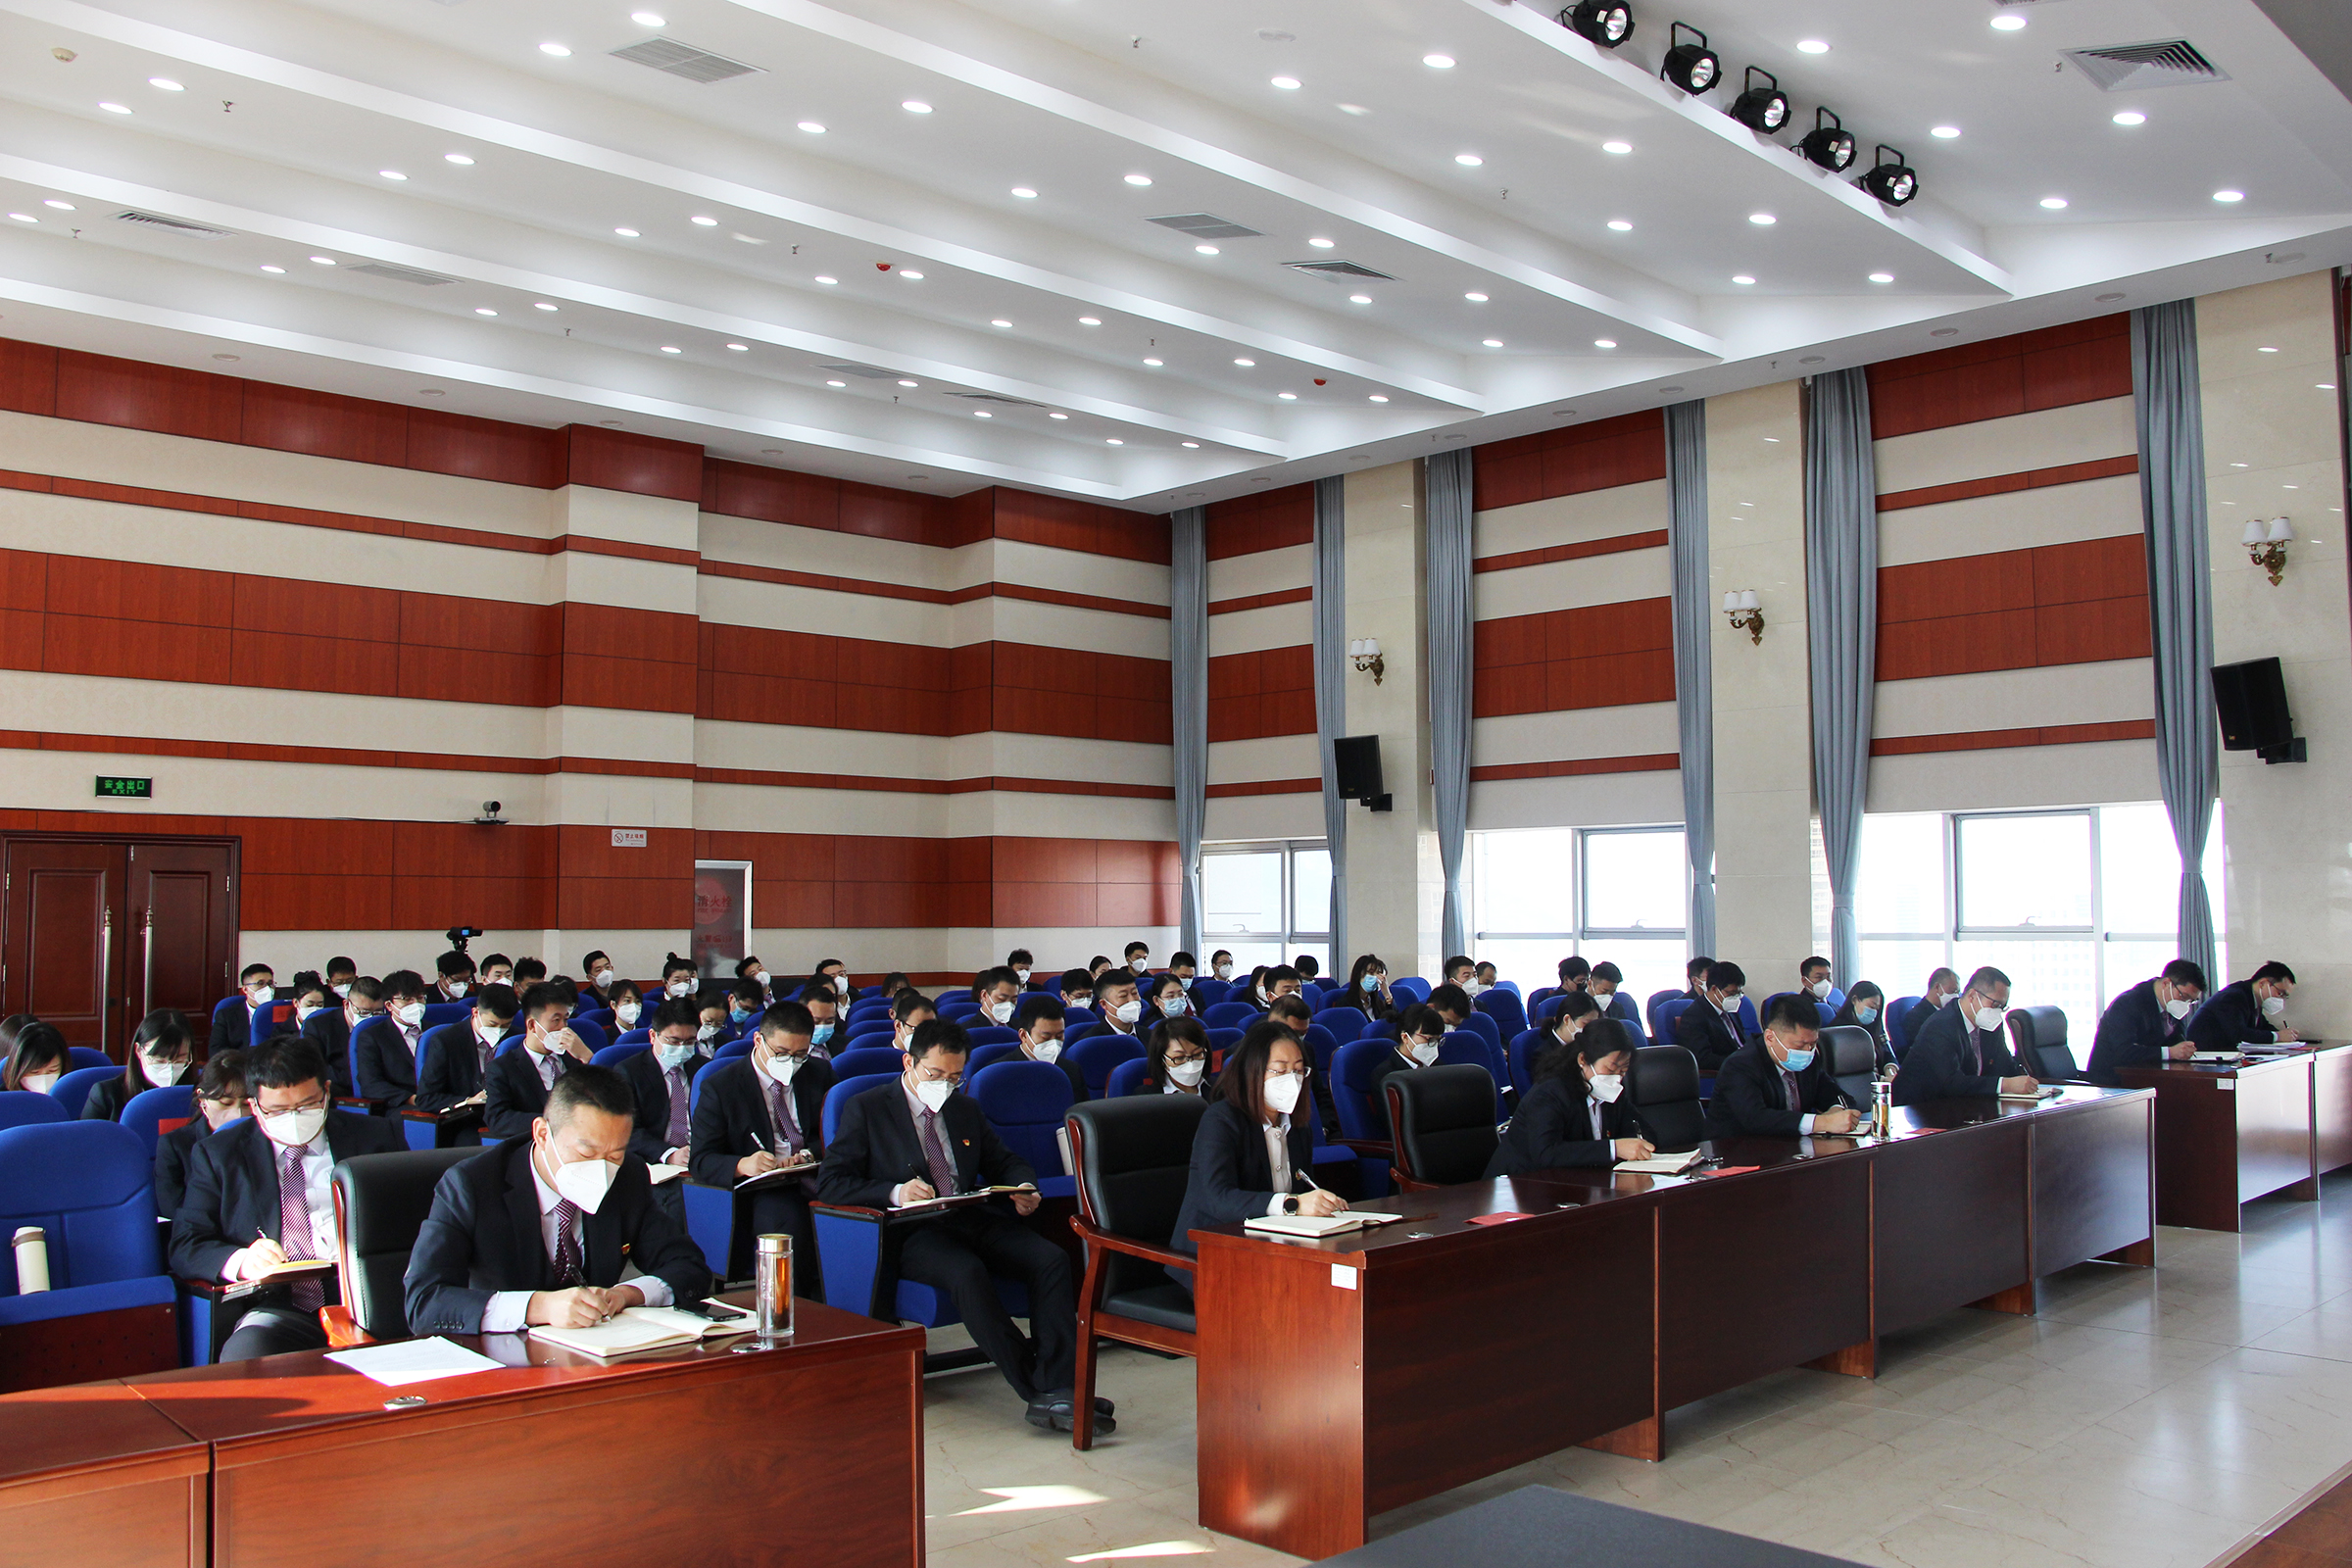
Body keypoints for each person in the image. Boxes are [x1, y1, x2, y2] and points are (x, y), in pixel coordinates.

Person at [815, 1018, 1089, 1433]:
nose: (945, 1085)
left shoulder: (964, 1108)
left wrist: (1022, 1184)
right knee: (966, 1272)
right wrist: (895, 1191)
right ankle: (1037, 1389)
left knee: (1050, 1259)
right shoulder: (867, 1108)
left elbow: (1004, 1160)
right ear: (909, 1062)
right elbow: (832, 1182)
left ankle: (1059, 1383)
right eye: (935, 1074)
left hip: (971, 1216)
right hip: (913, 1229)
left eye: (955, 1077)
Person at [404, 1064, 711, 1337]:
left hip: (597, 1350)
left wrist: (626, 1294)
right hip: (504, 1354)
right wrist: (540, 1307)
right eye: (586, 1153)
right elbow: (424, 1301)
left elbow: (688, 1266)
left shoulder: (627, 1175)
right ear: (542, 1134)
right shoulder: (472, 1185)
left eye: (614, 1155)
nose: (601, 1170)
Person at [171, 1038, 406, 1360]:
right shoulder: (220, 1155)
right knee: (247, 1355)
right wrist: (243, 1261)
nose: (294, 1118)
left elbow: (414, 1219)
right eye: (279, 1110)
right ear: (255, 1106)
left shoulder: (376, 1138)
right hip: (277, 1306)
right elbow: (186, 1243)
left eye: (307, 1105)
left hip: (367, 1296)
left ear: (326, 1092)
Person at [1167, 1022, 1343, 1274]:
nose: (1291, 1080)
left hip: (1272, 1249)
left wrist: (1322, 1204)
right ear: (1253, 1071)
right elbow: (1217, 1199)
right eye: (1280, 1071)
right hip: (1212, 1257)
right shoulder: (1221, 1120)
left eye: (1298, 1071)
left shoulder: (1298, 1126)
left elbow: (1304, 1189)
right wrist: (1293, 1205)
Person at [688, 1001, 836, 1284]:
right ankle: (794, 1302)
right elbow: (701, 1160)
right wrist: (743, 1164)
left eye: (800, 1055)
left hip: (817, 1173)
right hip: (765, 1188)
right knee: (789, 1222)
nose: (790, 1062)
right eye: (781, 1053)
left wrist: (808, 1154)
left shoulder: (819, 1073)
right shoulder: (722, 1087)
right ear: (758, 1040)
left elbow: (837, 1136)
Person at [1486, 1018, 1654, 1176]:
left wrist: (1638, 1144)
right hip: (1518, 1182)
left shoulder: (1612, 1091)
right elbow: (1546, 1153)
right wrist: (1614, 1148)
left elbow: (1645, 1134)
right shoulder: (1550, 1093)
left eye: (1623, 1070)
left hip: (1577, 1182)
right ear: (1583, 1059)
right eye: (1611, 1069)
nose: (1617, 1077)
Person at [1707, 995, 1863, 1140]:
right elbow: (1756, 1119)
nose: (1808, 1051)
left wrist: (1837, 1110)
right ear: (1770, 1038)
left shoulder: (1809, 1058)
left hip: (1789, 1148)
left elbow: (1839, 1096)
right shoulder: (1740, 1066)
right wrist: (1822, 1123)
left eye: (1813, 1043)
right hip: (1736, 1150)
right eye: (1800, 1045)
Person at [1892, 966, 2037, 1105]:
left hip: (1964, 1104)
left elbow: (2004, 1065)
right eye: (1995, 1005)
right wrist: (2004, 1084)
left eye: (2002, 1007)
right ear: (1972, 996)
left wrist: (2024, 1083)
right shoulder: (1940, 1025)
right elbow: (1950, 1082)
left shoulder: (1990, 1024)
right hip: (1918, 1107)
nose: (1997, 1012)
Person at [484, 983, 592, 1141]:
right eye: (556, 1020)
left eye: (566, 1020)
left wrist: (588, 1058)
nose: (563, 1028)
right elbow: (498, 1118)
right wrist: (554, 1122)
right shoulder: (503, 1067)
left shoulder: (575, 1057)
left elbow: (607, 1100)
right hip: (536, 1142)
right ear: (532, 1025)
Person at [156, 1049, 247, 1218]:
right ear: (203, 1100)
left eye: (247, 1104)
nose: (238, 1114)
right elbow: (173, 1209)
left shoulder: (269, 1140)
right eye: (225, 1103)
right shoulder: (175, 1145)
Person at [2086, 959, 2209, 1085]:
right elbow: (2124, 1052)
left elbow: (2176, 1041)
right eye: (2184, 996)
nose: (2186, 1003)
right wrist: (2170, 1052)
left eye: (2191, 1001)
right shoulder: (2127, 1004)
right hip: (2112, 1082)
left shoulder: (2171, 1004)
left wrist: (2185, 1050)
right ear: (2166, 984)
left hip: (2150, 1078)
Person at [622, 999, 710, 1170]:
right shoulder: (629, 1072)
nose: (682, 1048)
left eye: (689, 1042)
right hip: (655, 1162)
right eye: (674, 1041)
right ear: (653, 1036)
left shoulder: (704, 1068)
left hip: (700, 1157)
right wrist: (669, 1154)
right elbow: (627, 1130)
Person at [417, 984, 514, 1116]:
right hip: (467, 1117)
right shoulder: (446, 1041)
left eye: (505, 1025)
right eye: (492, 1024)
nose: (498, 1031)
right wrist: (468, 1101)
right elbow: (426, 1098)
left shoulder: (515, 1039)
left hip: (506, 1114)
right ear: (475, 1012)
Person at [80, 1009, 196, 1121]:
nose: (169, 1068)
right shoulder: (107, 1094)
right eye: (159, 1061)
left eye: (180, 1060)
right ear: (139, 1051)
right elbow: (88, 1134)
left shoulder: (200, 1092)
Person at [356, 970, 430, 1111]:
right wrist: (412, 1099)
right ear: (389, 1005)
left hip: (440, 1101)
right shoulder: (372, 1037)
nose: (415, 1004)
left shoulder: (437, 1031)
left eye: (420, 998)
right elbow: (370, 1084)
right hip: (402, 1105)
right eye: (406, 999)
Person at [2189, 961, 2302, 1054]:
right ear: (2263, 983)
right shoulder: (2234, 996)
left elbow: (2261, 1027)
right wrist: (2277, 1036)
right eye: (2280, 993)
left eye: (2284, 996)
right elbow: (2239, 1034)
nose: (2281, 999)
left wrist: (2285, 1035)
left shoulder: (2253, 999)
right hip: (2207, 1055)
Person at [1368, 1003, 1447, 1131]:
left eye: (1437, 1041)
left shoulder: (1440, 1068)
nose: (1433, 1046)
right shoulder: (1385, 1075)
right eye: (1429, 1040)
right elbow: (1393, 1123)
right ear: (1405, 1037)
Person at [301, 976, 371, 1102]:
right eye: (364, 1012)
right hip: (341, 1091)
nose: (370, 1017)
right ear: (347, 1004)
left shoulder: (383, 1024)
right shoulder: (318, 1026)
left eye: (377, 1012)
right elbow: (316, 1068)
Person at [1674, 960, 1751, 1071]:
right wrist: (1740, 1062)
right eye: (1731, 993)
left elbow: (1740, 1042)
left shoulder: (1730, 1009)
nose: (1735, 998)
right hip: (1726, 1071)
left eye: (1738, 993)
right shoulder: (1694, 1016)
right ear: (1714, 989)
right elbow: (1703, 1059)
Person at [1013, 995, 1084, 1102]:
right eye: (1045, 1037)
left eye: (1059, 1036)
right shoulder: (1001, 1072)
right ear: (1023, 1035)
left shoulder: (1071, 1070)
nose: (1053, 1043)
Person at [215, 963, 286, 1051]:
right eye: (260, 983)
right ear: (245, 989)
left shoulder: (282, 1012)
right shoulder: (226, 1015)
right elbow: (216, 1049)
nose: (267, 988)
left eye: (270, 983)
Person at [1135, 1017, 1211, 1097]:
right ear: (1162, 1060)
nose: (1190, 1064)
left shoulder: (1216, 1088)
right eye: (1179, 1058)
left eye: (1197, 1054)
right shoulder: (1146, 1096)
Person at [1830, 981, 1895, 1070]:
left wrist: (1890, 1068)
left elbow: (1886, 1052)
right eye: (1871, 1007)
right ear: (1855, 1000)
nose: (1874, 1012)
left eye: (1877, 1009)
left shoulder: (1874, 1024)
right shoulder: (1840, 1029)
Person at [1902, 968, 1960, 1052]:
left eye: (1957, 992)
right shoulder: (1915, 1017)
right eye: (1952, 991)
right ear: (1937, 987)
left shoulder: (1950, 1012)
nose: (1956, 996)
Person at [3, 1022, 69, 1095]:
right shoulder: (4, 1098)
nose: (44, 1081)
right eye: (35, 1072)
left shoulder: (72, 1093)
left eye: (52, 1070)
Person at [794, 979, 844, 1059]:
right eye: (816, 1021)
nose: (822, 1026)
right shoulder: (787, 1051)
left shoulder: (847, 1045)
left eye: (829, 1021)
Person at [1094, 968, 1144, 1038]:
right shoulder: (1093, 1041)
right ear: (1104, 1004)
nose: (1132, 1000)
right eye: (1123, 996)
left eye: (1134, 993)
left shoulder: (1149, 1035)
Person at [890, 988, 937, 1054]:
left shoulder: (937, 1056)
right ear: (898, 1026)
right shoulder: (884, 1058)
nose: (925, 1035)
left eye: (931, 1030)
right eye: (917, 1029)